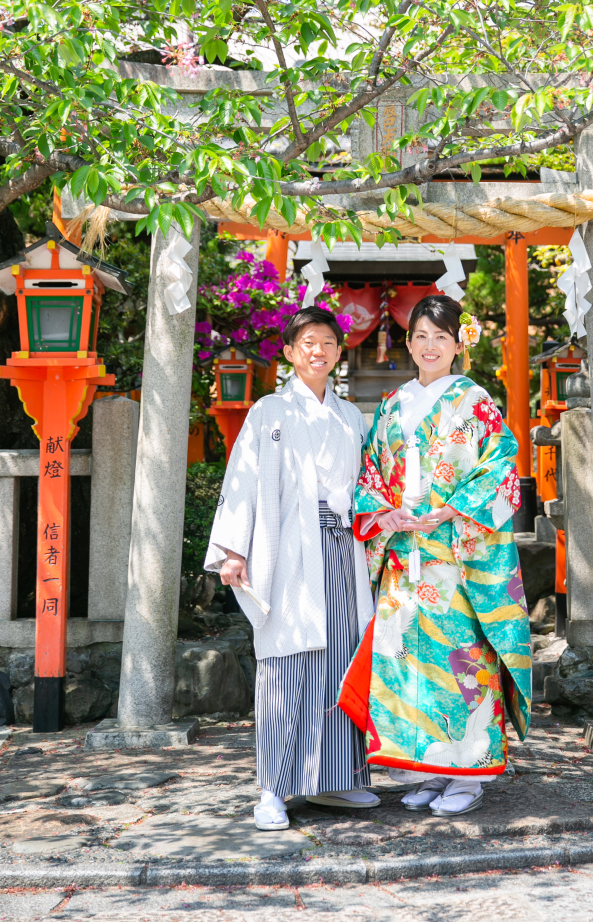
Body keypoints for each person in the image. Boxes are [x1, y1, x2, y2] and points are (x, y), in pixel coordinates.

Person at [347, 294, 531, 817]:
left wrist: (454, 510)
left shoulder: (475, 401)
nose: (430, 347)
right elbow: (370, 474)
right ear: (408, 342)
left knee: (460, 662)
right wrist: (384, 514)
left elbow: (501, 466)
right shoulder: (390, 404)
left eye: (441, 338)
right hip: (404, 552)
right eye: (421, 337)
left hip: (456, 554)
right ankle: (426, 770)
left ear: (458, 345)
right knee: (405, 663)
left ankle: (469, 776)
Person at [204, 305, 379, 831]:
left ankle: (337, 778)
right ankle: (272, 790)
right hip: (289, 553)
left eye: (327, 342)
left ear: (338, 352)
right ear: (288, 352)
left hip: (343, 551)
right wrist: (235, 550)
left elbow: (368, 486)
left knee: (342, 662)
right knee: (286, 667)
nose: (317, 351)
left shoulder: (351, 416)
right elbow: (242, 479)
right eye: (307, 343)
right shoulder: (269, 412)